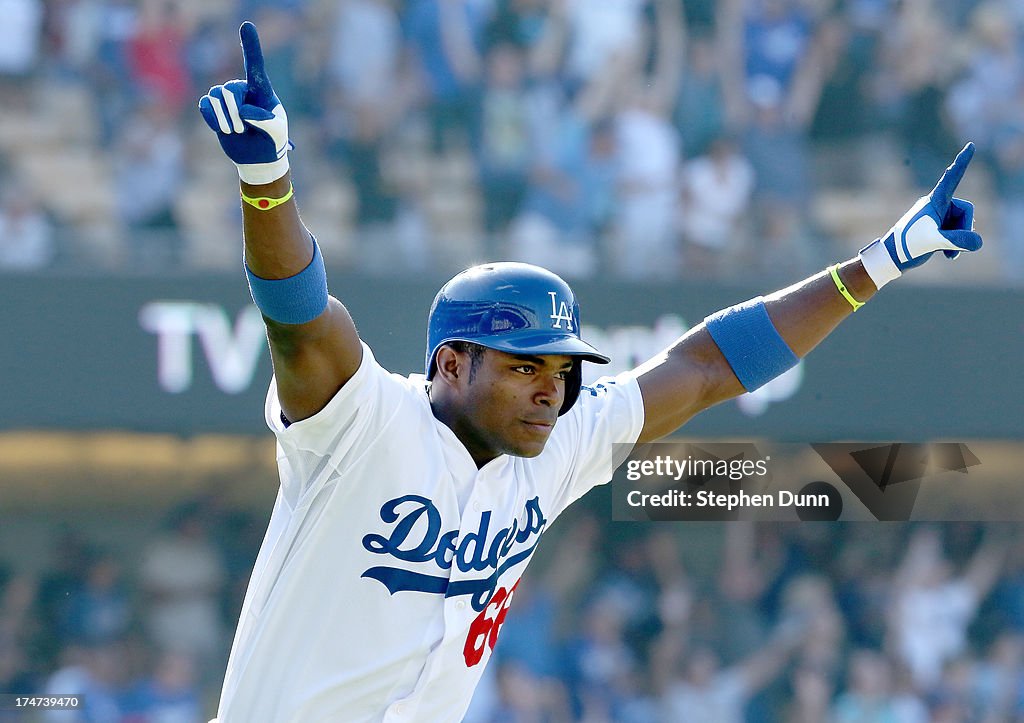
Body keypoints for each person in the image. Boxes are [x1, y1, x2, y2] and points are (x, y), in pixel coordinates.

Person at [198, 22, 982, 722]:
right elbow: (301, 327)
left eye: (564, 368)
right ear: (450, 362)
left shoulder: (559, 444)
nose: (552, 387)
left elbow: (708, 365)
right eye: (525, 364)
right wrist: (267, 181)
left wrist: (882, 261)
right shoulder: (366, 423)